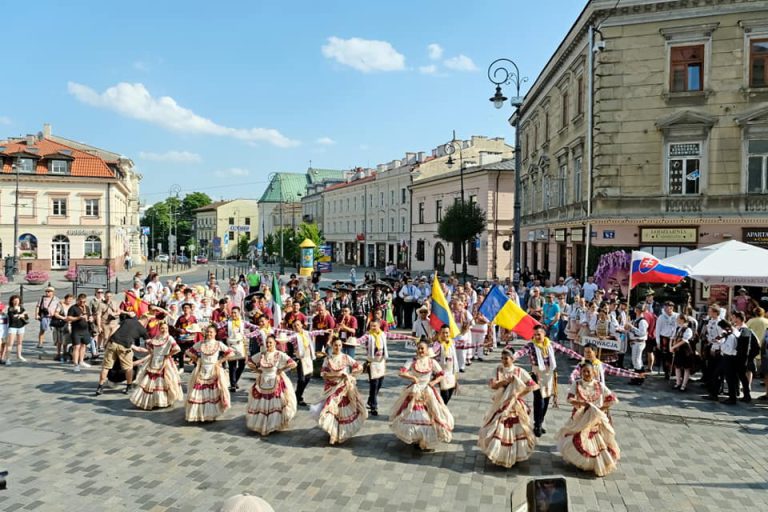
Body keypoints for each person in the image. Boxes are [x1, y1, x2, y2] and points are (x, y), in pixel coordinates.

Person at [477, 348, 539, 468]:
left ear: (512, 359)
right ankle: (499, 453)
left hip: (515, 405)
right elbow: (492, 385)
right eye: (502, 358)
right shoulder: (498, 370)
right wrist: (502, 383)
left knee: (516, 428)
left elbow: (533, 385)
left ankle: (515, 454)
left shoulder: (519, 371)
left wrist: (519, 394)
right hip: (500, 403)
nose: (504, 361)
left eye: (506, 358)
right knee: (497, 425)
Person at [557, 360, 620, 477]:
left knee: (597, 439)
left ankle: (594, 464)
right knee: (579, 438)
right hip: (580, 417)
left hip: (596, 419)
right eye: (584, 371)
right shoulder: (577, 384)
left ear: (594, 372)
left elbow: (612, 399)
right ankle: (582, 463)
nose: (586, 374)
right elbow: (569, 399)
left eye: (588, 371)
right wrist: (582, 403)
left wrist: (600, 409)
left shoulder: (599, 385)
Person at [389, 340, 454, 452]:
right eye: (418, 348)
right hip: (414, 390)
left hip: (427, 390)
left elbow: (441, 374)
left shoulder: (432, 362)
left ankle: (425, 440)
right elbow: (401, 372)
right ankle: (416, 438)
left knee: (430, 414)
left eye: (422, 348)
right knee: (414, 413)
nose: (420, 351)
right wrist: (412, 378)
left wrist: (433, 383)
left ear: (427, 350)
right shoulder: (412, 361)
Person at [311, 337, 367, 444]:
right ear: (332, 346)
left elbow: (358, 366)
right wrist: (336, 375)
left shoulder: (345, 357)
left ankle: (339, 433)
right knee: (331, 410)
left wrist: (350, 376)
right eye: (335, 345)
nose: (338, 347)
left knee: (342, 410)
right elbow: (323, 373)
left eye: (340, 345)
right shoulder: (328, 359)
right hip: (331, 388)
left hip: (343, 387)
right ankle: (333, 433)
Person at [510, 324, 559, 437]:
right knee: (539, 400)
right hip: (536, 375)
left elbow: (566, 350)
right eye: (535, 334)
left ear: (544, 334)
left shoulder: (550, 344)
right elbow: (521, 352)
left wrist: (581, 358)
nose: (536, 336)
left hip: (549, 375)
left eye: (539, 334)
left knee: (546, 400)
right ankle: (537, 425)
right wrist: (513, 356)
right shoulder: (531, 345)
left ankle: (540, 423)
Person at [245, 333, 298, 436]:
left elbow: (293, 363)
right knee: (262, 403)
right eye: (267, 343)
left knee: (275, 402)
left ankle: (273, 424)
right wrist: (257, 370)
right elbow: (250, 362)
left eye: (270, 343)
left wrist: (281, 370)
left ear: (275, 343)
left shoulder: (279, 354)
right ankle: (262, 424)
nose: (268, 344)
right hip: (263, 381)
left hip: (275, 380)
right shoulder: (262, 354)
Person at [185, 325, 234, 422]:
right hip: (202, 369)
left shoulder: (218, 344)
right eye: (207, 331)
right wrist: (197, 360)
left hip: (213, 369)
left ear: (215, 333)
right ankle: (200, 413)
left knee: (213, 392)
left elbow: (230, 353)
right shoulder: (201, 343)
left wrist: (220, 362)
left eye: (211, 332)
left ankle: (211, 414)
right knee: (200, 391)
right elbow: (189, 352)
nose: (209, 334)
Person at [129, 322, 183, 409]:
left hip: (164, 361)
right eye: (162, 328)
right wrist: (152, 353)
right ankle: (152, 400)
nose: (164, 330)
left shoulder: (169, 338)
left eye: (165, 328)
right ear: (159, 329)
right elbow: (149, 345)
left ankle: (162, 400)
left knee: (164, 380)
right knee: (151, 380)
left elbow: (177, 349)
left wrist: (168, 355)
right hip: (154, 360)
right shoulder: (156, 337)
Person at [96, 313, 150, 396]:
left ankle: (100, 387)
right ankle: (129, 387)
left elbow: (114, 328)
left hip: (113, 343)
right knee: (129, 368)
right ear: (146, 321)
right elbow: (149, 342)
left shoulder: (127, 320)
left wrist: (107, 341)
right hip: (124, 347)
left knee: (106, 367)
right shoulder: (143, 329)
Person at [704, 319, 739, 404]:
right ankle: (714, 394)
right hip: (725, 357)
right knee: (717, 375)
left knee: (729, 378)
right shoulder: (728, 334)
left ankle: (732, 398)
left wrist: (721, 347)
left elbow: (729, 349)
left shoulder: (731, 336)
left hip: (728, 358)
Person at [432, 325, 459, 405]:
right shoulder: (437, 344)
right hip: (441, 373)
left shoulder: (452, 343)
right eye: (443, 333)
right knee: (445, 395)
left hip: (451, 373)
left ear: (449, 333)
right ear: (440, 333)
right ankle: (441, 411)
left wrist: (456, 376)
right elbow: (432, 354)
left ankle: (441, 409)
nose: (445, 335)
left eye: (446, 333)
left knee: (449, 394)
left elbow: (455, 360)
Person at [66, 294, 93, 372]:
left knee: (83, 346)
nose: (82, 303)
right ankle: (76, 364)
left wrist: (91, 319)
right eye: (80, 301)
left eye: (84, 301)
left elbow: (90, 316)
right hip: (76, 330)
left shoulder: (87, 307)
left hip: (85, 330)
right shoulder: (73, 308)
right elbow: (68, 318)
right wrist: (78, 317)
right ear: (77, 300)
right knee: (76, 347)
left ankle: (81, 361)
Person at [626, 304, 649, 385]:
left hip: (639, 342)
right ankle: (638, 376)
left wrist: (632, 327)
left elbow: (642, 333)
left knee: (637, 360)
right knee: (635, 360)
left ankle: (639, 378)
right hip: (634, 342)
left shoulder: (642, 321)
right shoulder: (636, 320)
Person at [670, 314, 694, 392]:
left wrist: (674, 347)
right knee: (677, 366)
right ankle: (678, 383)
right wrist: (672, 346)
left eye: (678, 318)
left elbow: (684, 340)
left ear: (682, 320)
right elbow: (673, 337)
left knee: (686, 368)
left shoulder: (688, 329)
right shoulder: (678, 328)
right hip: (678, 349)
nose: (677, 320)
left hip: (685, 350)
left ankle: (684, 385)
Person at [655, 301, 679, 379]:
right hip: (664, 338)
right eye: (664, 307)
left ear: (671, 308)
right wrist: (658, 342)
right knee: (665, 356)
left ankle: (673, 371)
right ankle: (666, 372)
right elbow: (657, 330)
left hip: (674, 338)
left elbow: (678, 327)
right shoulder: (661, 317)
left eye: (667, 307)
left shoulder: (677, 316)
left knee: (673, 355)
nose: (665, 308)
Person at [1, 295, 28, 365]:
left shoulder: (21, 308)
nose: (16, 302)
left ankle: (19, 355)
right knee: (10, 343)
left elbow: (27, 317)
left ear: (19, 301)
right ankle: (7, 358)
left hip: (21, 326)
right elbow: (13, 318)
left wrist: (20, 315)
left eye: (17, 300)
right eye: (14, 300)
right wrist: (22, 315)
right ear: (12, 301)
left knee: (20, 343)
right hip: (13, 327)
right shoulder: (10, 309)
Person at [226, 307, 248, 392]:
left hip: (241, 346)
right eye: (232, 312)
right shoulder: (227, 322)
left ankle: (235, 381)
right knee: (232, 366)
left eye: (235, 312)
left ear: (239, 313)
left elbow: (254, 327)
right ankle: (233, 385)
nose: (234, 314)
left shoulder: (243, 323)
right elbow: (218, 325)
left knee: (242, 365)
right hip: (231, 345)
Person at [36, 286, 60, 350]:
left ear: (53, 292)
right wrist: (36, 315)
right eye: (46, 291)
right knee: (42, 329)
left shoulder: (56, 299)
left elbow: (59, 306)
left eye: (49, 291)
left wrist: (57, 313)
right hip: (44, 316)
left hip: (53, 316)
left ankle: (56, 341)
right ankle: (40, 342)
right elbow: (38, 306)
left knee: (55, 330)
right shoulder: (42, 298)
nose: (47, 293)